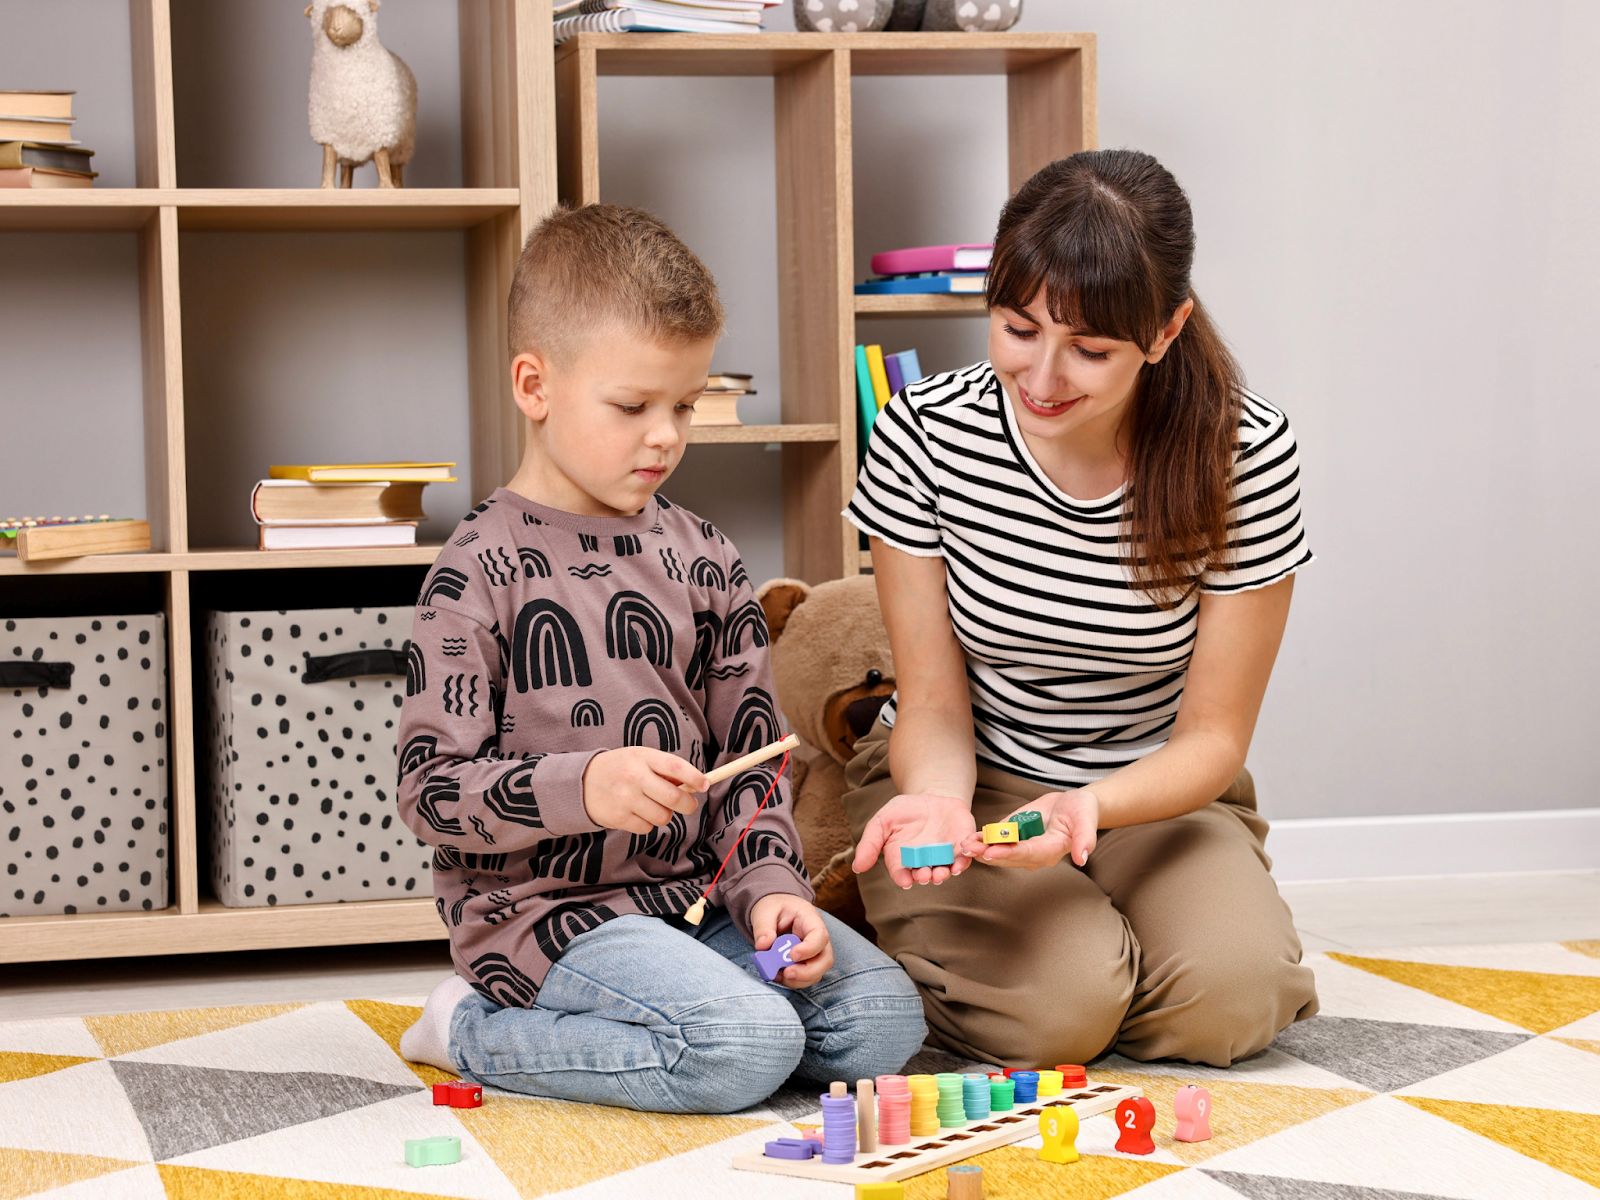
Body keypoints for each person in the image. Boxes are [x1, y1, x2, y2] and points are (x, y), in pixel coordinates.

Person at [396, 203, 926, 1113]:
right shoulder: (474, 572)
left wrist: (769, 893)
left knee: (880, 1025)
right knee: (741, 1044)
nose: (666, 435)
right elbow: (429, 794)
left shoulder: (706, 556)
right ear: (535, 385)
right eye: (633, 406)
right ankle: (469, 1029)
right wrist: (584, 786)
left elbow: (754, 766)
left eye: (685, 404)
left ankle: (691, 1025)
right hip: (544, 915)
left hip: (697, 897)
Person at [844, 150, 1319, 1070]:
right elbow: (934, 703)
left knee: (1234, 1002)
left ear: (1168, 327)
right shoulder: (924, 434)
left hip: (1153, 794)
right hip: (971, 782)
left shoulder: (1244, 456)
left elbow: (1214, 739)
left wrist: (1086, 811)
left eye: (1091, 349)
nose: (1044, 376)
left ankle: (1100, 955)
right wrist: (937, 803)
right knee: (1058, 1020)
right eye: (1017, 328)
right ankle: (1064, 967)